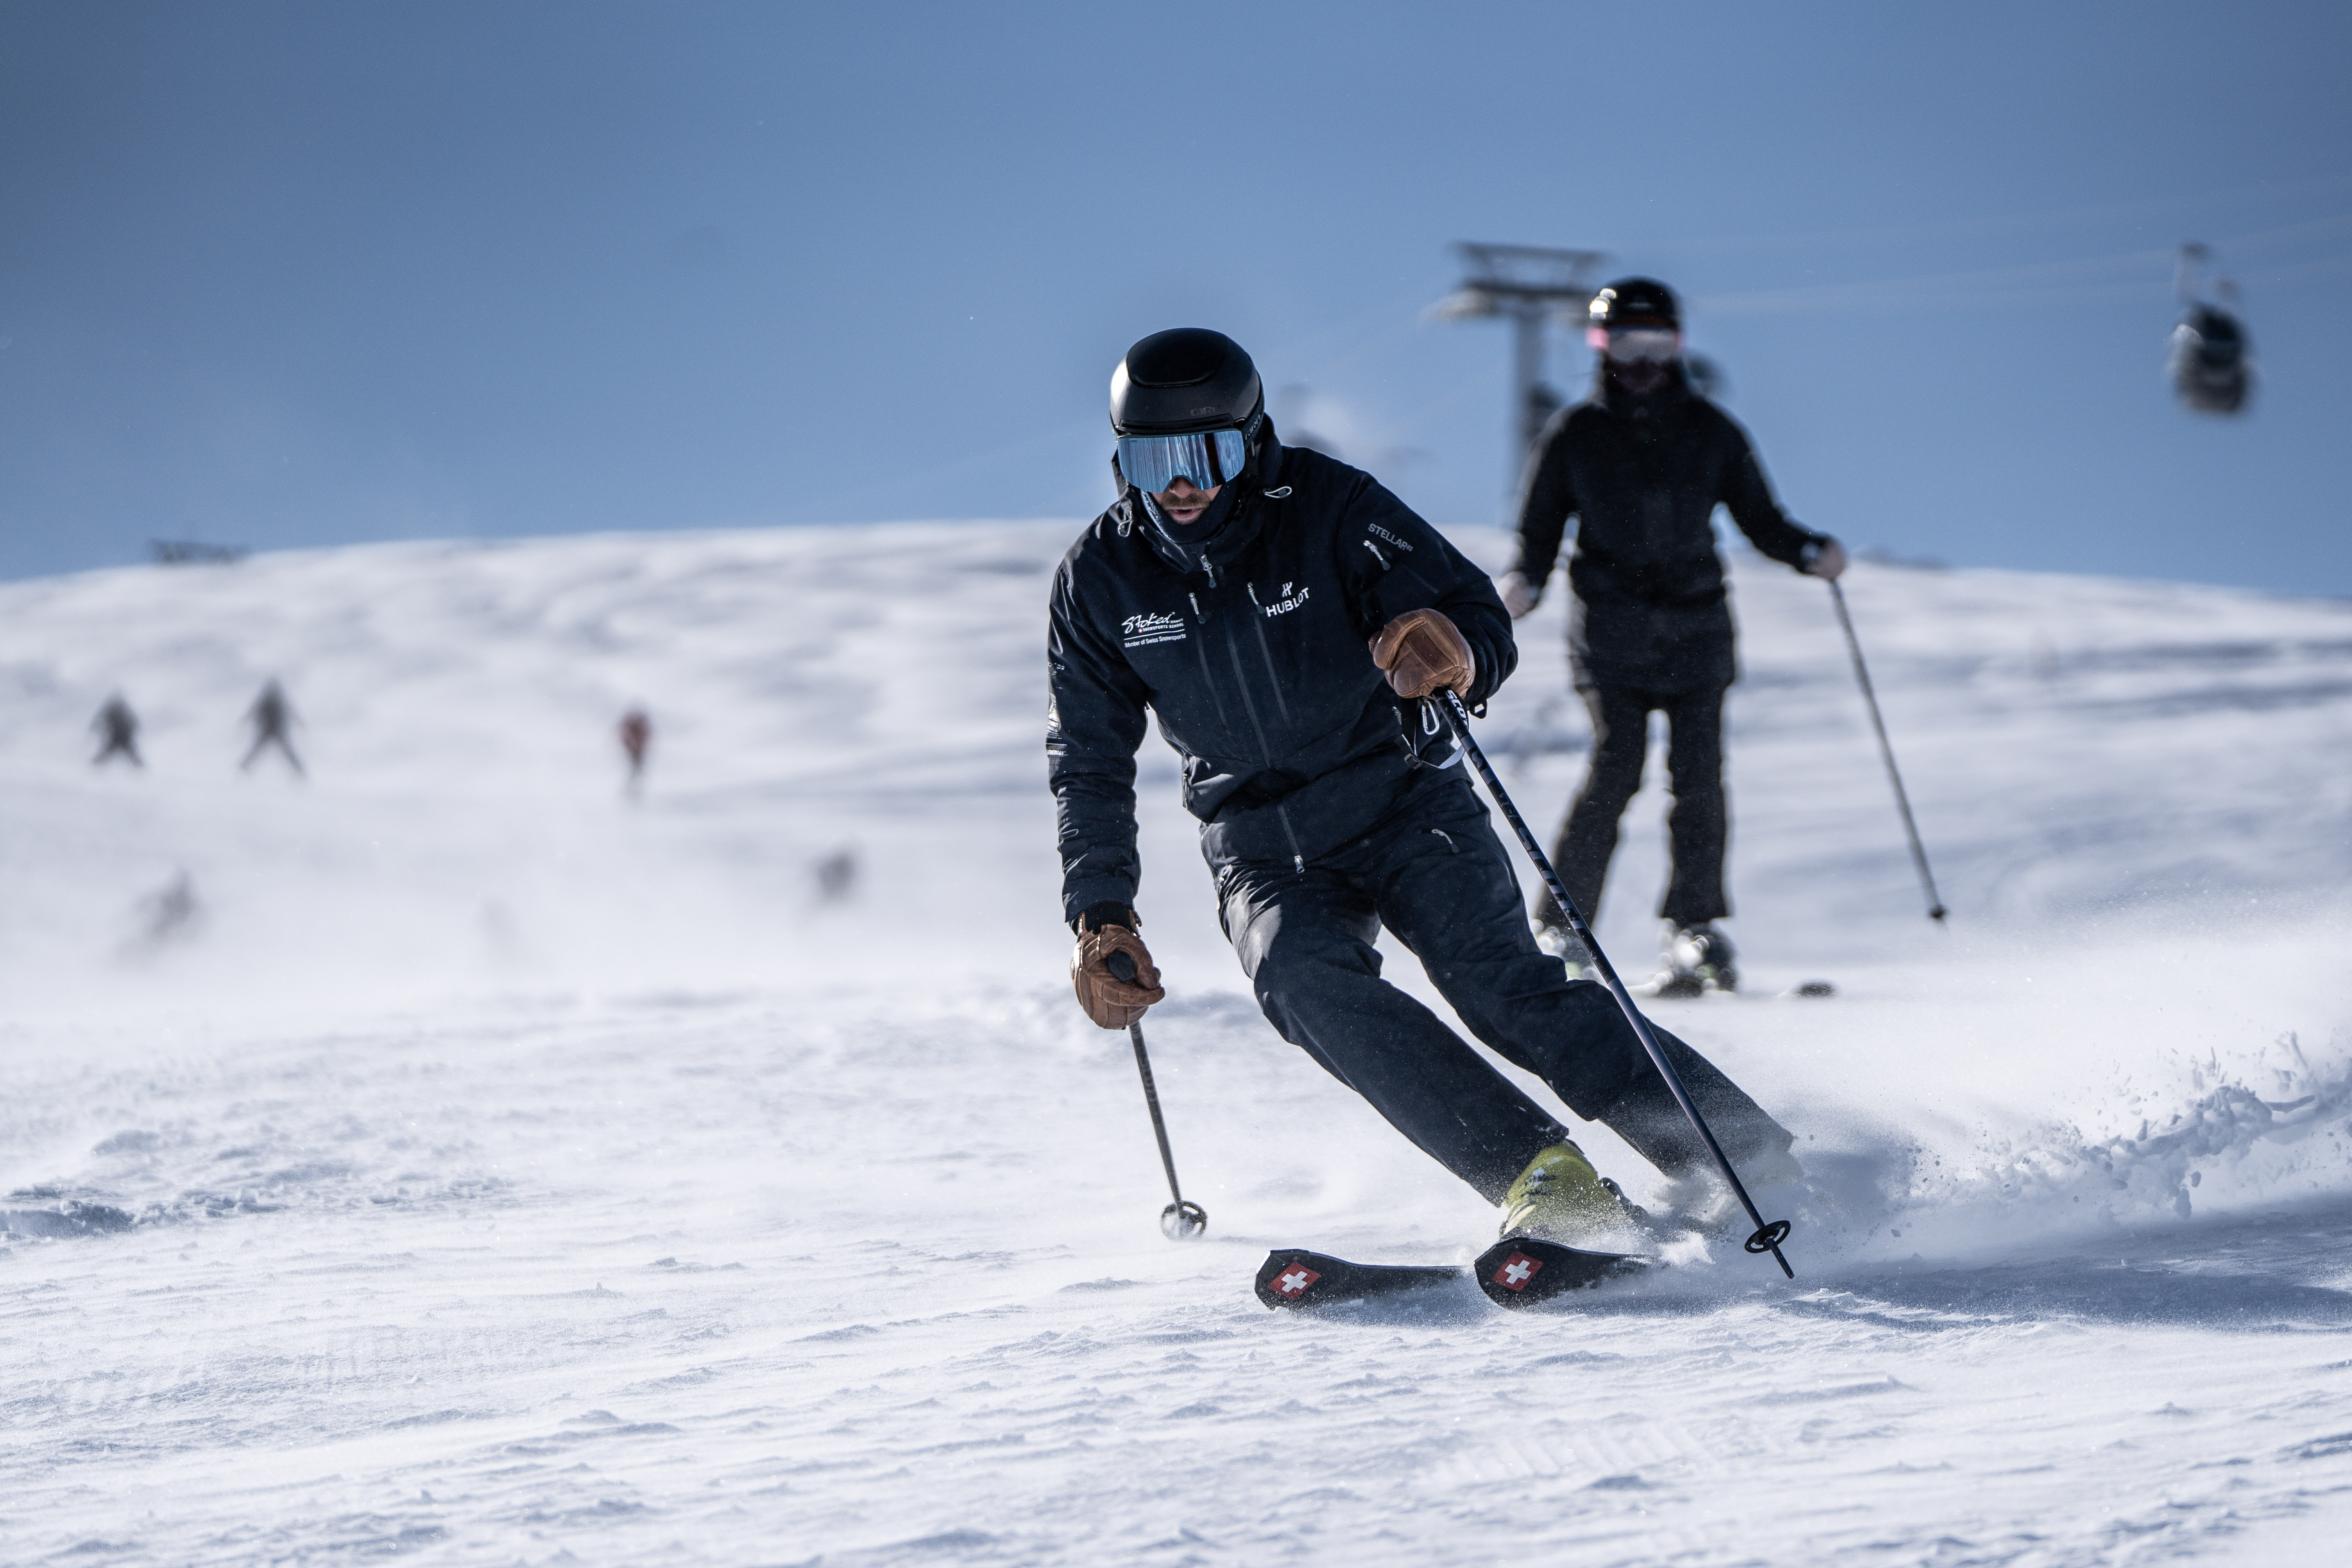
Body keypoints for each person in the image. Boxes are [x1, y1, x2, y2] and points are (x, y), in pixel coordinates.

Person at [1047, 327, 1800, 1247]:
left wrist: (1458, 654)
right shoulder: (1100, 580)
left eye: (1205, 452)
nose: (1181, 482)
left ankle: (1738, 1150)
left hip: (1402, 802)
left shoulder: (1331, 507)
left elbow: (1476, 611)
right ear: (1122, 460)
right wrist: (1100, 913)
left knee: (1501, 990)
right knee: (1300, 981)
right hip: (1260, 847)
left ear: (1251, 442)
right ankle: (1545, 1179)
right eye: (1151, 457)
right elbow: (1088, 756)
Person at [1498, 279, 1847, 997]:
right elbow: (1537, 529)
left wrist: (1808, 550)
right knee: (1614, 767)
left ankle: (1694, 928)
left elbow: (1760, 518)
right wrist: (1523, 581)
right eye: (1625, 343)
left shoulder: (1711, 431)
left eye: (1657, 343)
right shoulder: (1574, 434)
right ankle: (1563, 927)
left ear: (1678, 345)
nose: (1643, 360)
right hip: (1610, 635)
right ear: (1600, 348)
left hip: (1696, 630)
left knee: (1697, 781)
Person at [241, 679, 305, 776]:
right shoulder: (275, 701)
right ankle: (243, 769)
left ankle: (243, 769)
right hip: (271, 731)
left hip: (272, 731)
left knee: (257, 751)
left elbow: (253, 711)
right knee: (257, 751)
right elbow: (291, 712)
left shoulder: (269, 700)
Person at [92, 694, 143, 767]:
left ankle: (95, 765)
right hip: (117, 736)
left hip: (123, 736)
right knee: (109, 751)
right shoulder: (115, 712)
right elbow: (101, 719)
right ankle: (95, 765)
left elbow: (133, 723)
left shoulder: (118, 712)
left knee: (130, 753)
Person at [618, 707, 652, 794]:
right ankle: (630, 790)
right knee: (634, 770)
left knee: (638, 771)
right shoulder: (634, 726)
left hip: (638, 751)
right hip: (634, 751)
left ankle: (635, 790)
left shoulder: (638, 726)